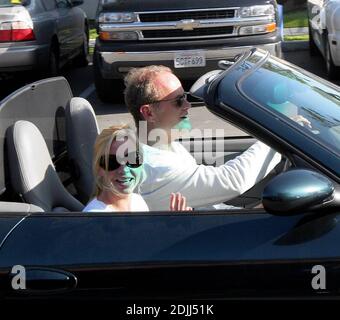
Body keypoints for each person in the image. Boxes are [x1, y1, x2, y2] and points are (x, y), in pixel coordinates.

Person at [124, 65, 282, 211]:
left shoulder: (165, 146)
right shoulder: (154, 167)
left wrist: (251, 212)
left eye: (185, 97)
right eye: (178, 101)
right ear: (149, 113)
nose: (187, 105)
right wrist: (278, 133)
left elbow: (203, 205)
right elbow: (231, 181)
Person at [83, 125, 192, 212]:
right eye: (112, 162)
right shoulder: (96, 218)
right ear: (99, 169)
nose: (124, 170)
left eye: (133, 159)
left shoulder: (136, 201)